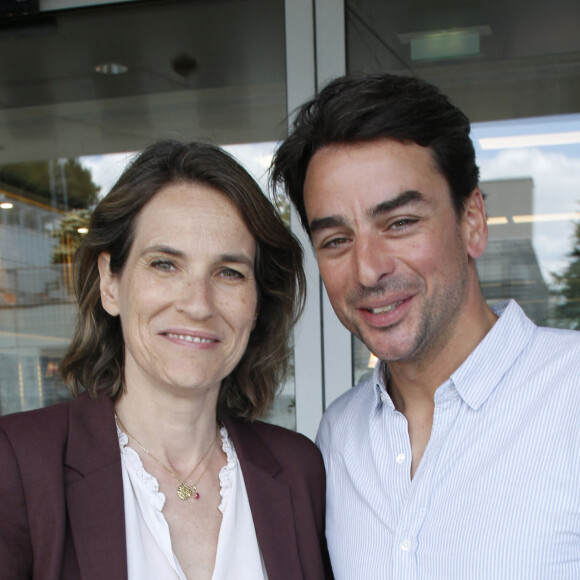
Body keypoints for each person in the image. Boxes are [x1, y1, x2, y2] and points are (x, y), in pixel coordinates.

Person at [271, 72, 580, 579]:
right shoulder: (338, 438)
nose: (369, 269)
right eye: (336, 240)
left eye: (400, 223)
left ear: (472, 220)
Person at [0, 140, 333, 580]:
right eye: (165, 264)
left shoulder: (297, 469)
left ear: (257, 303)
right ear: (110, 284)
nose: (198, 304)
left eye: (229, 272)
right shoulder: (19, 464)